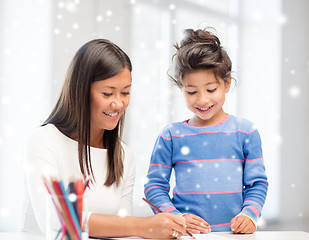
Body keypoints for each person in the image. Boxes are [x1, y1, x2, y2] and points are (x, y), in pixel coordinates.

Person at [23, 39, 186, 239]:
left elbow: (121, 227)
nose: (118, 103)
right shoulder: (44, 141)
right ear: (81, 91)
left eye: (125, 92)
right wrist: (142, 226)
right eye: (108, 93)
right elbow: (56, 221)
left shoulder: (124, 155)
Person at [144, 28, 268, 234]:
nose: (202, 100)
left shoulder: (246, 132)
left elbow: (257, 184)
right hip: (186, 236)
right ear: (181, 88)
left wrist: (249, 214)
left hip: (233, 237)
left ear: (227, 84)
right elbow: (154, 186)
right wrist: (175, 217)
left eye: (211, 89)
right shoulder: (171, 136)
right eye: (191, 91)